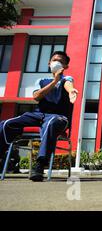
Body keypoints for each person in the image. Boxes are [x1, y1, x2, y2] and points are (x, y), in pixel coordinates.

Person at [0, 51, 77, 182]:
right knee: (5, 124)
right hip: (38, 114)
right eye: (54, 60)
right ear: (49, 63)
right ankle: (2, 157)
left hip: (59, 117)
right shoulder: (41, 80)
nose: (57, 63)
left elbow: (68, 85)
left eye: (61, 61)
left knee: (51, 123)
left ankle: (40, 164)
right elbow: (36, 97)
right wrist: (54, 81)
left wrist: (71, 91)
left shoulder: (67, 79)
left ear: (66, 66)